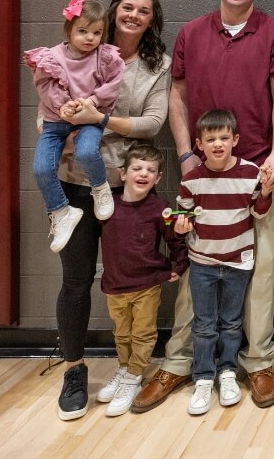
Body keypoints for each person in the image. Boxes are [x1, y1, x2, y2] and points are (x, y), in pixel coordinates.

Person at [134, 0, 274, 412]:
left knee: (262, 271)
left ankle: (258, 361)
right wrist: (186, 154)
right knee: (195, 271)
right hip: (202, 175)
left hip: (260, 169)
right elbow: (177, 95)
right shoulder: (191, 33)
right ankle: (180, 362)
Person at [53, 0, 172, 421]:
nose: (135, 15)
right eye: (128, 7)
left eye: (144, 11)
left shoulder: (157, 66)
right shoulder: (81, 50)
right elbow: (51, 106)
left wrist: (98, 119)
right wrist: (63, 126)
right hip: (74, 183)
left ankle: (131, 369)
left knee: (133, 281)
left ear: (151, 20)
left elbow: (153, 123)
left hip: (127, 190)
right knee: (76, 279)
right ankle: (74, 370)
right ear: (115, 11)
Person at [173, 109, 274, 415]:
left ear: (235, 140)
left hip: (238, 262)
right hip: (202, 261)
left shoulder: (250, 173)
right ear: (199, 144)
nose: (218, 144)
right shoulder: (192, 179)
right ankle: (204, 377)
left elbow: (259, 212)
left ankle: (228, 371)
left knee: (231, 323)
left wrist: (266, 191)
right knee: (204, 325)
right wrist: (179, 225)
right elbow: (182, 213)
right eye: (211, 139)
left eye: (224, 138)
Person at [96, 145, 187, 417]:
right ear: (123, 174)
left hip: (146, 284)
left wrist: (179, 266)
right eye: (137, 168)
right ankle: (124, 368)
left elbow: (176, 240)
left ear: (158, 179)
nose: (143, 173)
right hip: (114, 285)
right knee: (121, 333)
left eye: (151, 170)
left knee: (143, 333)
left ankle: (134, 377)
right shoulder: (106, 205)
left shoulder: (159, 208)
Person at [26, 0, 123, 252]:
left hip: (89, 118)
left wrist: (87, 103)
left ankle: (99, 186)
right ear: (69, 29)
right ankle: (61, 210)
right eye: (83, 31)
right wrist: (64, 107)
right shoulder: (51, 57)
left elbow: (111, 87)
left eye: (97, 32)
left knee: (86, 151)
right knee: (41, 169)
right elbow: (45, 86)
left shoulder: (106, 57)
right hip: (55, 122)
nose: (90, 38)